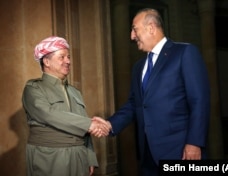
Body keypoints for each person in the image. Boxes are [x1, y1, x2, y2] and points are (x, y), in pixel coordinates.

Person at [93, 8, 211, 176]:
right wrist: (110, 124)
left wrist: (194, 143)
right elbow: (135, 104)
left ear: (151, 28)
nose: (132, 36)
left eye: (134, 29)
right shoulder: (138, 67)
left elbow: (199, 100)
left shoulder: (185, 53)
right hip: (148, 155)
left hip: (181, 151)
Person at [22, 36, 108, 176]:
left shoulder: (75, 91)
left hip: (79, 156)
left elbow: (83, 128)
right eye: (62, 57)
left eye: (68, 57)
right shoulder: (33, 88)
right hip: (49, 156)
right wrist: (89, 124)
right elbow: (47, 114)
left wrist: (90, 158)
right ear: (46, 61)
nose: (68, 61)